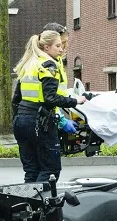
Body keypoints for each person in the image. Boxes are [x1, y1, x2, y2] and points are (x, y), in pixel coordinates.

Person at [12, 25, 85, 183]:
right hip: (40, 123)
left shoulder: (29, 64)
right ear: (46, 47)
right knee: (50, 170)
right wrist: (75, 101)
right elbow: (50, 98)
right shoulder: (49, 66)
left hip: (22, 121)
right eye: (58, 45)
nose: (61, 49)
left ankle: (27, 205)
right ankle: (40, 206)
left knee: (32, 170)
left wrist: (18, 120)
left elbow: (16, 99)